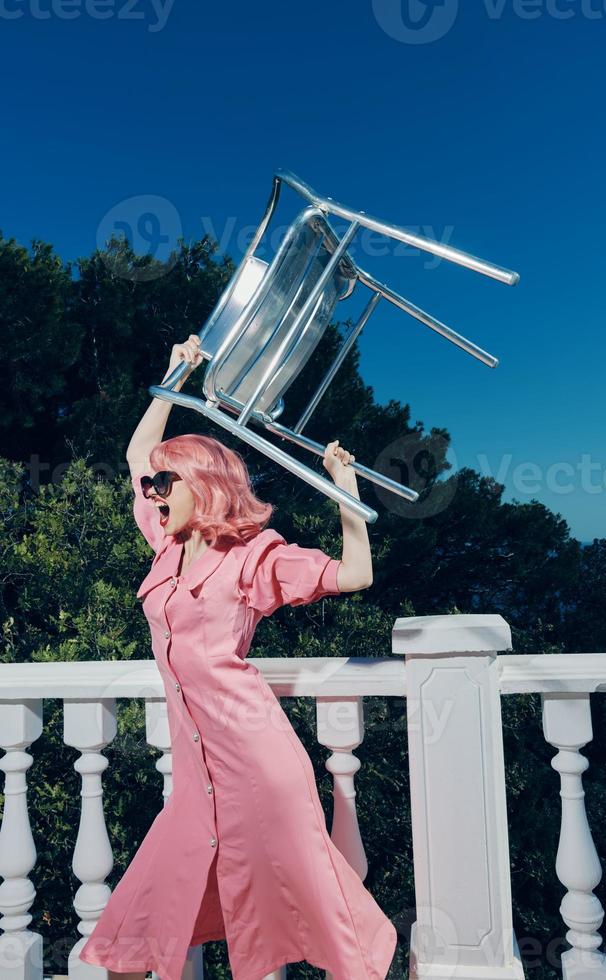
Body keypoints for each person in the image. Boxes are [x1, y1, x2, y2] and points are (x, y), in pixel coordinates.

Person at [78, 334, 398, 980]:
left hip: (259, 772)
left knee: (312, 925)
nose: (155, 492)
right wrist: (174, 375)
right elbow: (138, 452)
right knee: (128, 938)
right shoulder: (165, 544)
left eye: (168, 483)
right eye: (156, 487)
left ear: (205, 486)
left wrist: (345, 490)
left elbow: (355, 573)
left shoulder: (255, 560)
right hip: (197, 790)